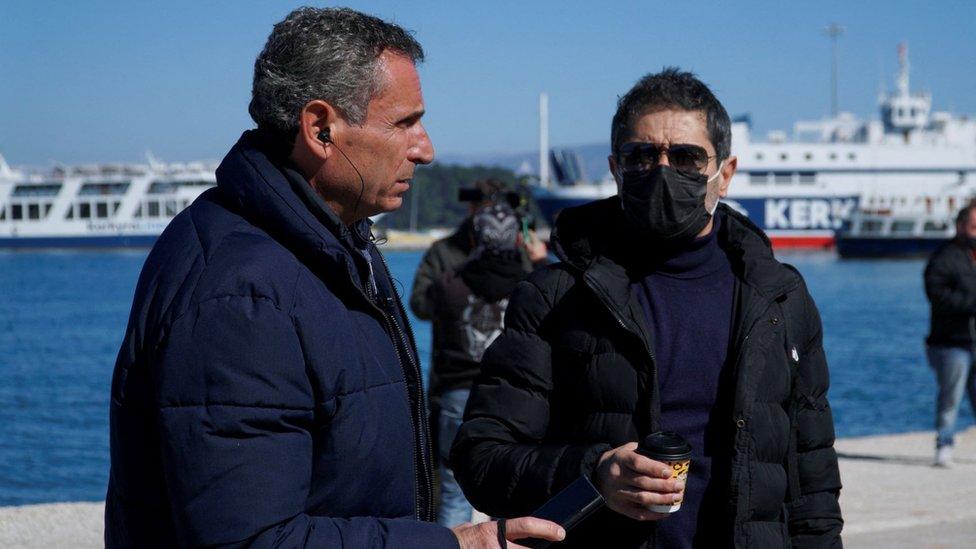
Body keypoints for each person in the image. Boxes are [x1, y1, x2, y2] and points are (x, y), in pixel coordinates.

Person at [104, 7, 563, 548]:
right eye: (404, 123)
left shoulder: (330, 242)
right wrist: (456, 544)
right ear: (320, 128)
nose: (426, 148)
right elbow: (249, 539)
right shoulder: (242, 291)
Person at [452, 68, 843, 548]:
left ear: (726, 172)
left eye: (685, 157)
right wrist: (596, 472)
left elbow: (813, 480)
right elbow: (482, 461)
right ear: (616, 169)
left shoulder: (781, 300)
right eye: (642, 156)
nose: (662, 171)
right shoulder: (554, 297)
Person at [426, 203, 532, 527]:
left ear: (476, 237)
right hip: (510, 397)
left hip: (456, 391)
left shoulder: (449, 285)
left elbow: (425, 307)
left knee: (453, 492)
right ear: (516, 238)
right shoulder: (530, 284)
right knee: (513, 490)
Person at [923, 203, 976, 467]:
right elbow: (936, 294)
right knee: (950, 396)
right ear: (960, 226)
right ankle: (944, 444)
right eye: (974, 226)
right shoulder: (944, 256)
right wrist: (971, 303)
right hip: (951, 341)